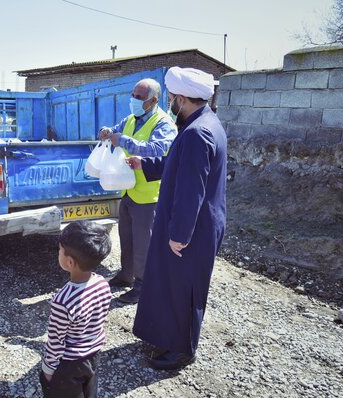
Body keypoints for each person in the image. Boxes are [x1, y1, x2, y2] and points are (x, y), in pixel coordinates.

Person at [127, 67, 227, 370]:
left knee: (184, 288)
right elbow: (175, 165)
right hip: (188, 224)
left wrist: (180, 234)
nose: (170, 104)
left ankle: (181, 350)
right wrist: (144, 165)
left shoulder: (198, 133)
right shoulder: (202, 123)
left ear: (181, 99)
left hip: (192, 229)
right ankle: (163, 335)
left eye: (171, 99)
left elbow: (191, 190)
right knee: (167, 282)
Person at [97, 78, 177, 304]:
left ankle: (143, 285)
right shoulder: (132, 119)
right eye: (133, 95)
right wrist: (106, 132)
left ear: (153, 101)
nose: (133, 100)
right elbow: (115, 130)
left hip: (149, 195)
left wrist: (123, 140)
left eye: (139, 97)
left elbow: (157, 149)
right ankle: (126, 275)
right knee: (127, 238)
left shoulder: (164, 124)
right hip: (129, 190)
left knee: (144, 244)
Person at [40, 221, 112, 398]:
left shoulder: (62, 301)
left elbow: (56, 340)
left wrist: (48, 369)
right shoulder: (103, 284)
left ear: (70, 262)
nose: (58, 254)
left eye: (59, 251)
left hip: (69, 364)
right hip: (94, 354)